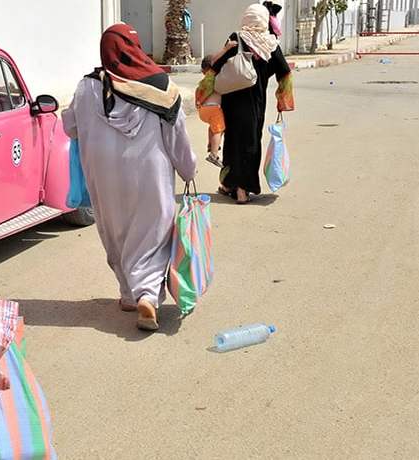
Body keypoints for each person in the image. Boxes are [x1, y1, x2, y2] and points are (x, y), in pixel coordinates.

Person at [62, 23, 197, 331]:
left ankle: (127, 292)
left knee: (116, 232)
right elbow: (177, 135)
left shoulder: (88, 86)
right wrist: (188, 168)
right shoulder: (162, 87)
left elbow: (70, 127)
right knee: (152, 234)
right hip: (151, 175)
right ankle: (146, 294)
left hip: (104, 177)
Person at [213, 4, 294, 203]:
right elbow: (284, 71)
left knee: (232, 141)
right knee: (251, 143)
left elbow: (216, 65)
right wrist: (281, 97)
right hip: (255, 104)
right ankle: (243, 190)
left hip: (232, 102)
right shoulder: (270, 43)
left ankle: (228, 184)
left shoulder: (236, 37)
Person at [196, 41, 239, 168]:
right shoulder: (214, 76)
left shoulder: (204, 81)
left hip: (203, 111)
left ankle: (211, 145)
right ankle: (213, 154)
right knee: (219, 130)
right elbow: (215, 60)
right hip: (214, 109)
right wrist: (226, 48)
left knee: (213, 127)